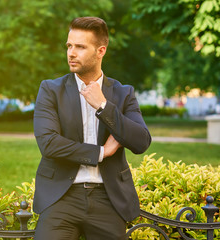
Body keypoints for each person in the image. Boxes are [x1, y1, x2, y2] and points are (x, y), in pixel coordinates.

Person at [32, 17, 152, 240]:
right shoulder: (50, 90)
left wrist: (104, 106)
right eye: (69, 45)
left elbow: (141, 141)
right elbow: (49, 144)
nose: (71, 53)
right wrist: (101, 152)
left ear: (101, 51)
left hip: (108, 198)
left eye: (80, 46)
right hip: (61, 197)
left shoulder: (123, 93)